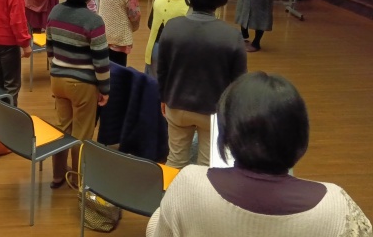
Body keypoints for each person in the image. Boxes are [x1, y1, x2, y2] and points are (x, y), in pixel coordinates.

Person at [146, 72, 373, 237]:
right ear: (301, 135)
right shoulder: (337, 206)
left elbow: (158, 232)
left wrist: (166, 210)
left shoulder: (188, 184)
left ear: (227, 135)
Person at [158, 0, 247, 168]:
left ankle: (171, 189)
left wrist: (163, 97)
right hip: (213, 110)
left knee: (175, 161)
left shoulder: (171, 27)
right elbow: (239, 82)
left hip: (176, 104)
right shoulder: (232, 36)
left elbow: (162, 69)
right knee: (208, 166)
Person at [46, 0, 109, 188]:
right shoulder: (93, 21)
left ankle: (57, 175)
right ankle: (79, 180)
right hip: (83, 84)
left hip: (57, 79)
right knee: (82, 133)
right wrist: (105, 88)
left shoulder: (54, 12)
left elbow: (50, 49)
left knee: (62, 128)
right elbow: (101, 60)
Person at [144, 0, 198, 77]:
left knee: (153, 83)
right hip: (177, 53)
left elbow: (150, 24)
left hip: (154, 49)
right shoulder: (191, 6)